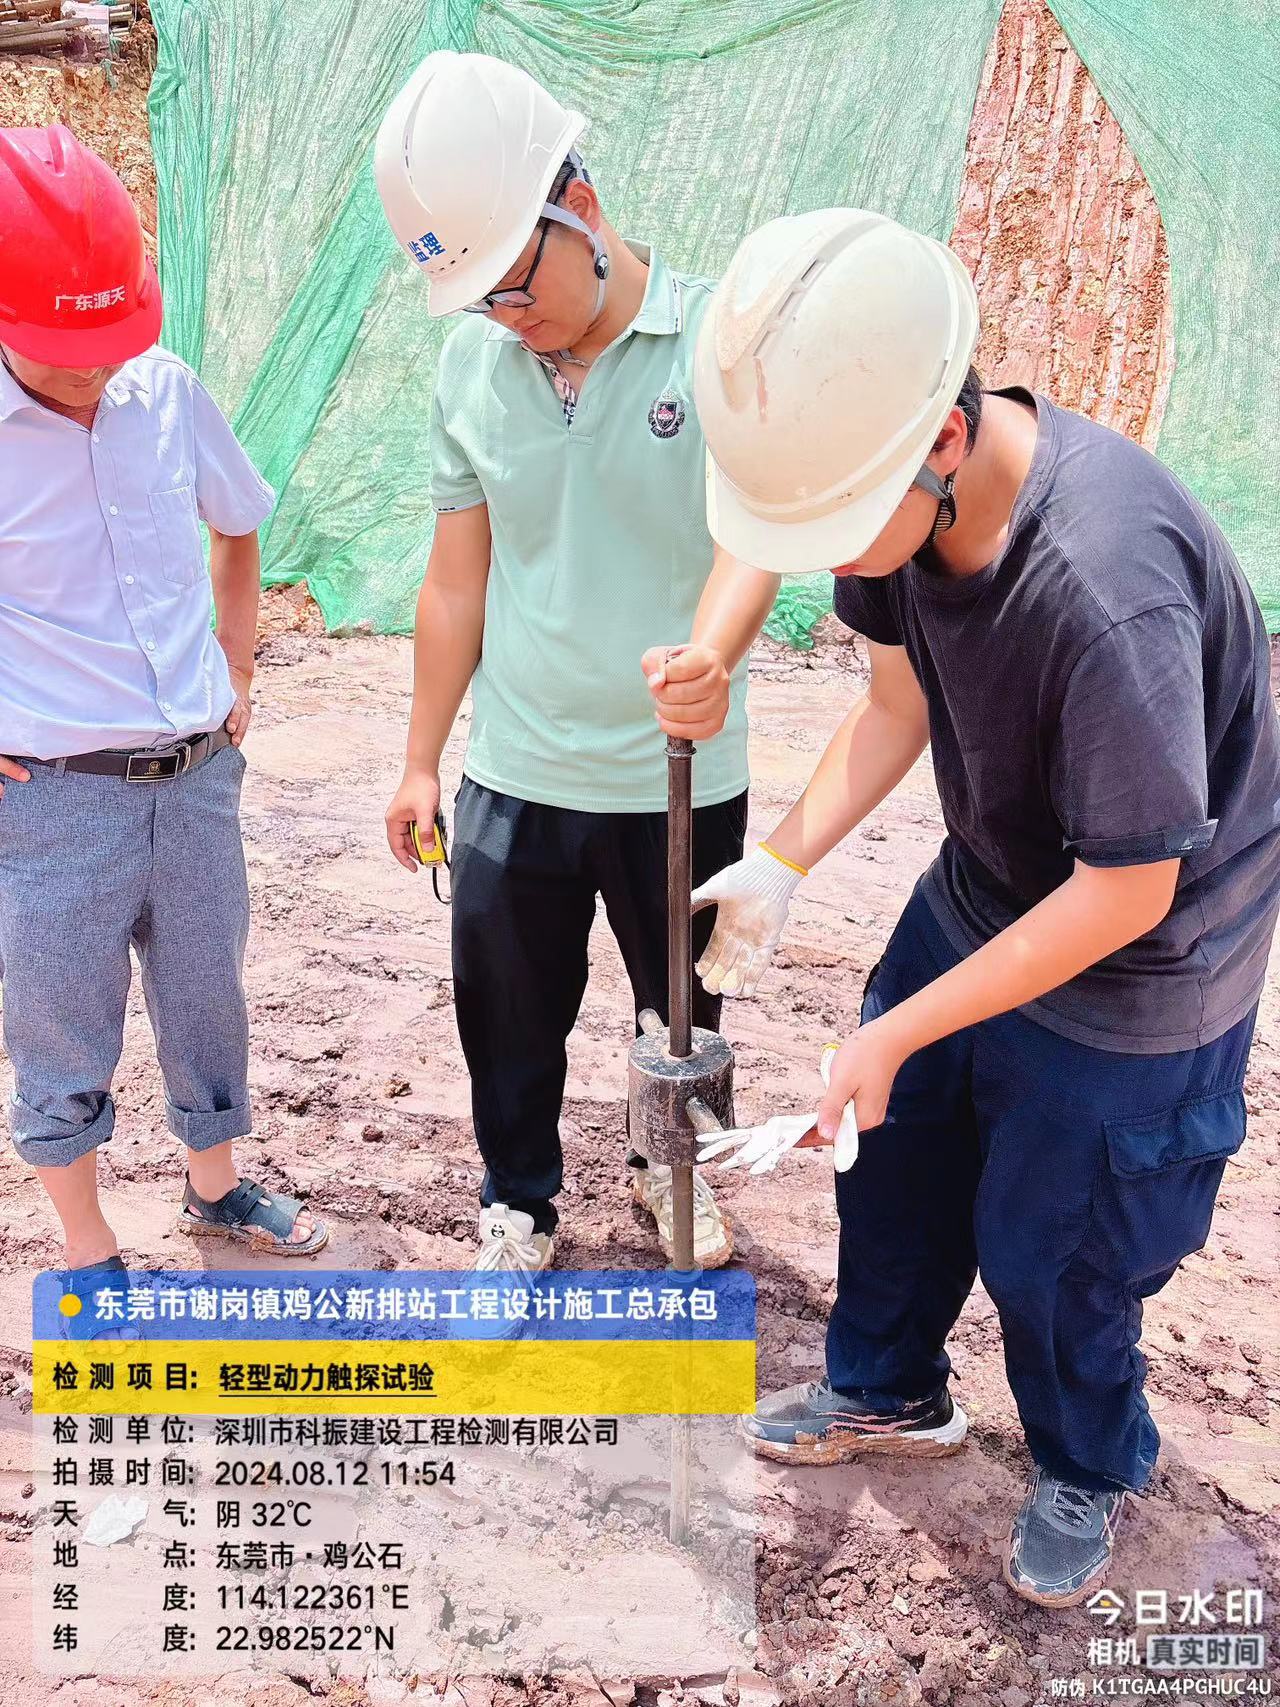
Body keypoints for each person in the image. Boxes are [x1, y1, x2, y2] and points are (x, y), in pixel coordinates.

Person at [646, 207, 1280, 1606]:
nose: (832, 558)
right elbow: (897, 702)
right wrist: (785, 859)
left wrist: (894, 1027)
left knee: (1058, 1248)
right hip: (989, 886)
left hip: (1142, 961)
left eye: (835, 527)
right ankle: (887, 1388)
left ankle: (1086, 1460)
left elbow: (1127, 888)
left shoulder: (1106, 591)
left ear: (943, 437)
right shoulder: (895, 494)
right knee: (892, 1152)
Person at [373, 53, 777, 1274]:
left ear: (581, 210)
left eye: (514, 283)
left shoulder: (713, 340)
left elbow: (753, 531)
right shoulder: (470, 369)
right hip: (516, 766)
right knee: (507, 1020)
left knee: (681, 1012)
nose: (506, 316)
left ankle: (673, 1172)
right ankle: (517, 1203)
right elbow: (456, 583)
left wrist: (711, 657)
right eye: (477, 300)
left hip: (675, 774)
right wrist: (420, 761)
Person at [0, 126, 327, 1322]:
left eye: (108, 350)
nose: (91, 375)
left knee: (206, 992)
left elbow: (237, 522)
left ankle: (216, 1187)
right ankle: (88, 1247)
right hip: (53, 794)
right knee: (59, 1019)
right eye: (62, 357)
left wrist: (236, 668)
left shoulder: (168, 392)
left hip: (195, 774)